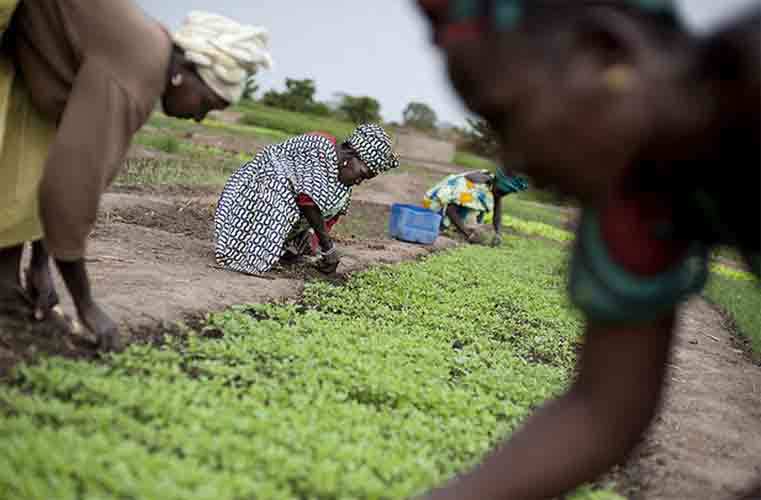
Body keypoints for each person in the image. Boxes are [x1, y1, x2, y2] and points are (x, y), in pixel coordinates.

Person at [414, 0, 760, 498]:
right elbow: (600, 412)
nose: (516, 159)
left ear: (604, 53)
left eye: (507, 116)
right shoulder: (635, 201)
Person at [0, 4, 272, 350]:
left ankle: (6, 294)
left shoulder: (149, 57)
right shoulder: (137, 72)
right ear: (184, 71)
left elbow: (54, 152)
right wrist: (87, 306)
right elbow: (71, 188)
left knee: (26, 147)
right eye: (206, 103)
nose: (200, 117)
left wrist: (41, 262)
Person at [214, 124, 400, 275]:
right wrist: (328, 248)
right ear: (351, 156)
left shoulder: (343, 184)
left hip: (279, 203)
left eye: (365, 179)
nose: (359, 181)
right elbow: (307, 199)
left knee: (329, 207)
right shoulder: (319, 147)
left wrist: (312, 239)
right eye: (362, 174)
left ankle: (283, 248)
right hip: (254, 192)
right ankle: (245, 255)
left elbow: (328, 218)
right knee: (281, 191)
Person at [423, 168, 527, 245]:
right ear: (497, 184)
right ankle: (447, 227)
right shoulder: (475, 185)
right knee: (473, 214)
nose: (499, 196)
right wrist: (468, 234)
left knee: (477, 212)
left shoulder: (493, 184)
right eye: (500, 192)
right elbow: (450, 210)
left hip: (454, 207)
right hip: (436, 205)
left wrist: (498, 233)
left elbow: (497, 210)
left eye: (504, 194)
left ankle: (459, 229)